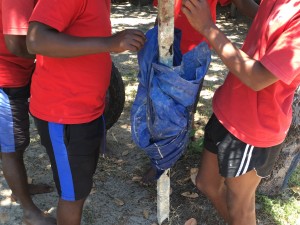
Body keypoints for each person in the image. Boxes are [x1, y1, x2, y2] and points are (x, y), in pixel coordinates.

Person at [26, 0, 146, 224]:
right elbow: (35, 39)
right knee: (73, 196)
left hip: (85, 111)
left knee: (79, 187)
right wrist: (109, 43)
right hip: (63, 115)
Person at [182, 0, 300, 224]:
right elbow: (265, 17)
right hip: (230, 105)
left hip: (255, 125)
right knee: (206, 183)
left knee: (241, 207)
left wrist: (208, 27)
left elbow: (258, 78)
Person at [141, 0, 258, 186]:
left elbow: (242, 3)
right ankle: (162, 161)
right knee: (162, 104)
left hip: (196, 51)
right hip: (166, 47)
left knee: (187, 104)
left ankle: (179, 142)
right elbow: (162, 12)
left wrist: (269, 20)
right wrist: (155, 43)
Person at [0, 0, 56, 224]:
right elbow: (16, 44)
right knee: (11, 147)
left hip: (14, 75)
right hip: (5, 79)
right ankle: (29, 212)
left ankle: (21, 187)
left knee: (15, 142)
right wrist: (55, 53)